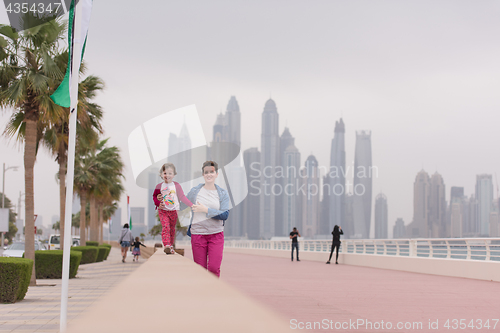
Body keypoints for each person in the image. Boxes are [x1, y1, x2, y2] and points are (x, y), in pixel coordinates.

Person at [187, 161, 230, 278]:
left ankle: (213, 293)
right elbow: (182, 203)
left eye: (212, 172)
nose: (209, 174)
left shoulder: (222, 193)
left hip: (216, 234)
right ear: (203, 174)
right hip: (198, 234)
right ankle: (202, 295)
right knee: (199, 270)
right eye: (206, 172)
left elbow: (225, 214)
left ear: (216, 174)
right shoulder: (195, 191)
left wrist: (206, 210)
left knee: (214, 268)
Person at [152, 163, 193, 255]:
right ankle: (166, 245)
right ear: (162, 174)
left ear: (174, 175)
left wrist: (191, 204)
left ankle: (170, 246)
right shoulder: (159, 186)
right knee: (166, 227)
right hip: (163, 210)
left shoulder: (176, 185)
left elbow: (182, 197)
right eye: (165, 173)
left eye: (170, 173)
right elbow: (154, 197)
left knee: (172, 229)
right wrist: (158, 203)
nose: (167, 175)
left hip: (174, 210)